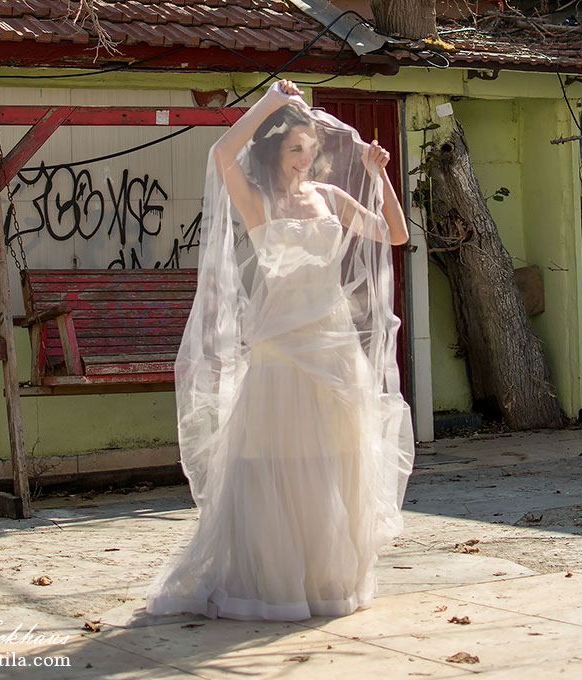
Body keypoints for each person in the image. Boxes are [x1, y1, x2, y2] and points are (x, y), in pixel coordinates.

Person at [146, 80, 415, 621]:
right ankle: (271, 582)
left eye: (311, 149)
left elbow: (395, 235)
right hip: (281, 346)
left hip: (333, 346)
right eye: (296, 148)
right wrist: (270, 102)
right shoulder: (257, 199)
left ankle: (322, 580)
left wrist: (377, 172)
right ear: (275, 150)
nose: (306, 157)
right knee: (273, 463)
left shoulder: (331, 198)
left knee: (334, 464)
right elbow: (222, 152)